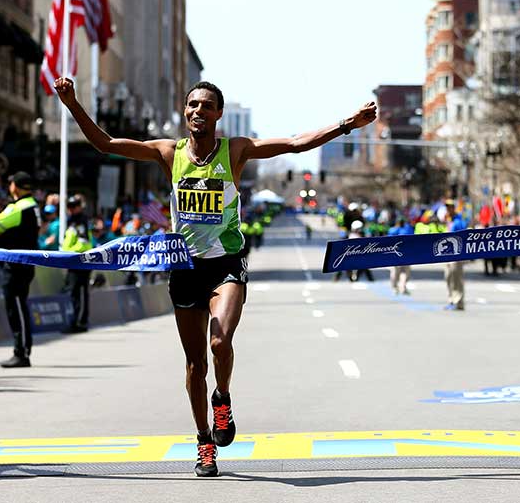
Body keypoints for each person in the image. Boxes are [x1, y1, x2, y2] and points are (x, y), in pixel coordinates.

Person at [55, 76, 375, 477]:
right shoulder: (168, 153)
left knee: (220, 342)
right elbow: (105, 144)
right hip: (185, 266)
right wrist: (72, 103)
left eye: (206, 106)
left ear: (219, 114)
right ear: (185, 112)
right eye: (192, 105)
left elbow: (295, 143)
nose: (198, 111)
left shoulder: (235, 151)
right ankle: (205, 441)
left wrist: (347, 124)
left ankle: (222, 399)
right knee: (194, 365)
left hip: (226, 261)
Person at [0, 171, 41, 368]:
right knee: (18, 306)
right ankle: (21, 350)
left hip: (16, 266)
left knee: (16, 307)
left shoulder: (18, 208)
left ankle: (22, 352)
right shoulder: (33, 205)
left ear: (14, 187)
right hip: (25, 264)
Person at [60, 195, 93, 333]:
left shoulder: (80, 221)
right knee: (74, 293)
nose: (71, 209)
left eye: (74, 206)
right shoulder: (72, 220)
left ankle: (79, 322)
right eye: (69, 207)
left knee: (80, 292)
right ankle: (76, 321)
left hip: (80, 261)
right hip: (73, 261)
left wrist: (68, 252)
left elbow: (83, 243)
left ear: (79, 207)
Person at [443, 200, 467, 311]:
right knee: (448, 277)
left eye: (450, 207)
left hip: (457, 254)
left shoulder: (459, 220)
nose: (448, 209)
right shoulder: (447, 220)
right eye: (447, 207)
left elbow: (463, 233)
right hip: (447, 254)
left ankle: (459, 301)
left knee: (457, 277)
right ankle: (451, 300)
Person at [387, 218, 414, 295]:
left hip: (400, 253)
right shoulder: (406, 229)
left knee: (399, 271)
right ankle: (400, 287)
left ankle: (398, 287)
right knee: (402, 271)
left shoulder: (394, 230)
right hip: (403, 253)